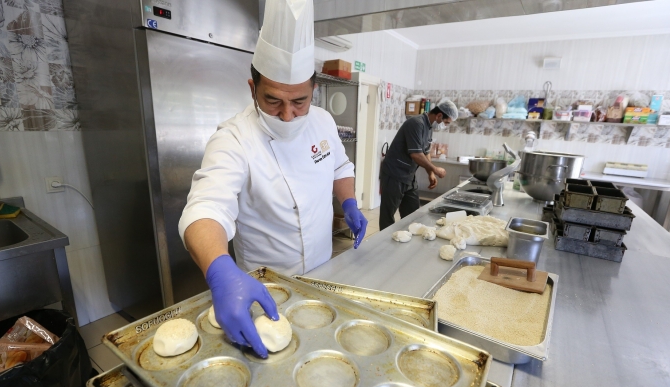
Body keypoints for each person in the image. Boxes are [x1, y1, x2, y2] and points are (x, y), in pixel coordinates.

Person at [178, 0, 367, 359]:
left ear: (314, 91)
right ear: (253, 88)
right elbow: (205, 207)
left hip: (323, 272)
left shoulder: (323, 122)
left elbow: (340, 167)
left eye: (299, 102)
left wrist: (349, 203)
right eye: (273, 101)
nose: (287, 115)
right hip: (263, 291)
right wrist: (220, 271)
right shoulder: (232, 138)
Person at [379, 100, 459, 230]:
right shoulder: (416, 123)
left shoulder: (428, 127)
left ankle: (408, 238)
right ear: (439, 115)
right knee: (387, 216)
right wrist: (435, 169)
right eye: (446, 122)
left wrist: (430, 173)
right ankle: (383, 241)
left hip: (409, 175)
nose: (445, 125)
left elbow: (425, 152)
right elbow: (416, 154)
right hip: (394, 174)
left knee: (412, 214)